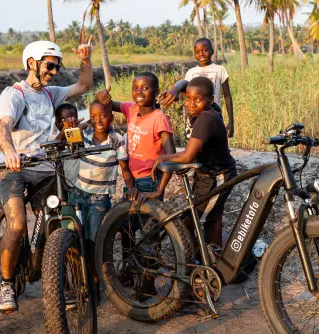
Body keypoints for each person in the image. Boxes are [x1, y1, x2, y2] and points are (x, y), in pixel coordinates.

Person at [0, 40, 93, 313]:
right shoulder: (14, 94)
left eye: (57, 67)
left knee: (59, 220)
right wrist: (10, 152)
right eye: (49, 65)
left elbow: (84, 86)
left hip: (46, 167)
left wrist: (86, 60)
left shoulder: (51, 94)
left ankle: (60, 282)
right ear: (32, 63)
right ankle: (5, 284)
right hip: (16, 167)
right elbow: (4, 127)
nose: (53, 71)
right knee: (16, 226)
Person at [148, 77, 237, 248]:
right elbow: (185, 83)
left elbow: (187, 156)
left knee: (195, 219)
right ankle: (207, 255)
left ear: (210, 100)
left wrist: (162, 158)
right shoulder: (208, 110)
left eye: (198, 99)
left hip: (217, 175)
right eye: (188, 98)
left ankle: (201, 257)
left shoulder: (206, 118)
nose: (191, 104)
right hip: (206, 174)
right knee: (212, 217)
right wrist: (175, 89)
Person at [96, 71, 175, 198]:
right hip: (131, 179)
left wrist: (159, 190)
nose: (139, 92)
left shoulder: (159, 118)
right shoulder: (131, 109)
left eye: (145, 88)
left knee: (148, 216)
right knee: (131, 215)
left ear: (156, 92)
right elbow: (107, 103)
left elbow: (171, 156)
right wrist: (99, 94)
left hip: (150, 180)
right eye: (135, 88)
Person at [68, 100, 132, 246]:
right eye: (94, 116)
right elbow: (68, 141)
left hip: (99, 196)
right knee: (80, 233)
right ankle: (84, 266)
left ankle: (96, 265)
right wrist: (78, 127)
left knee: (96, 236)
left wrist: (129, 187)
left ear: (112, 117)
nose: (98, 120)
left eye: (103, 115)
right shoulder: (84, 134)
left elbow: (125, 168)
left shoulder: (116, 139)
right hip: (79, 192)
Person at [159, 38, 234, 139]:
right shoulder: (191, 72)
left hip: (213, 111)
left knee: (214, 141)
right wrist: (187, 122)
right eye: (197, 52)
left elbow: (227, 96)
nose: (201, 54)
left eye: (205, 50)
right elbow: (187, 95)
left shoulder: (220, 69)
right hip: (195, 115)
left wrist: (231, 121)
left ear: (212, 51)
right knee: (196, 144)